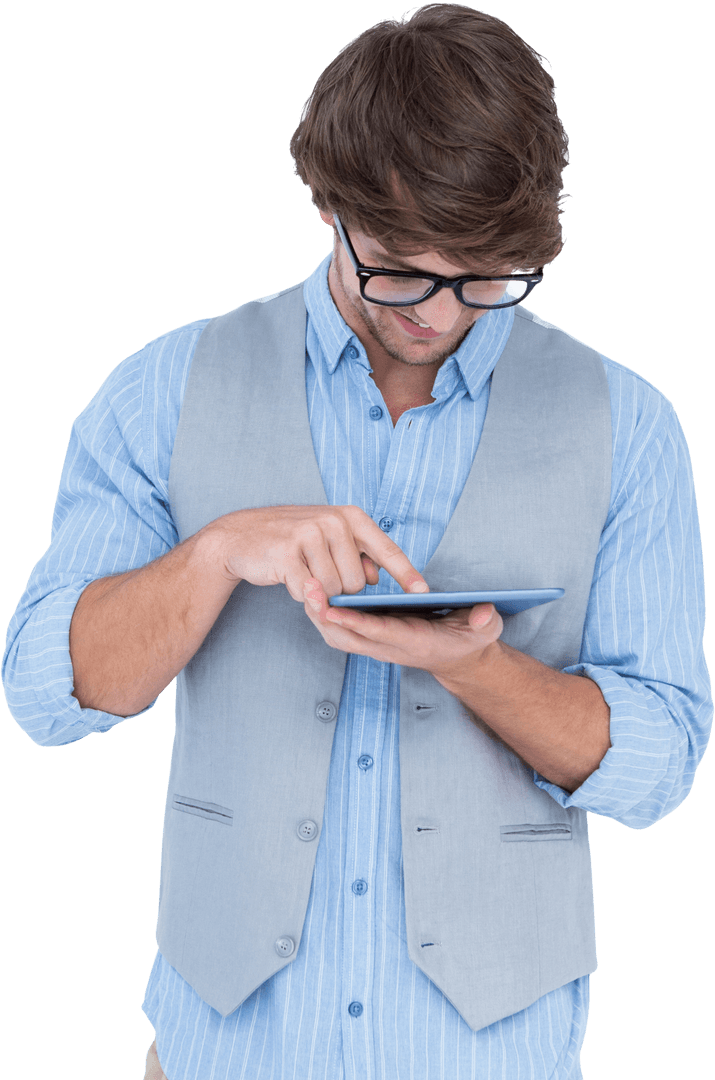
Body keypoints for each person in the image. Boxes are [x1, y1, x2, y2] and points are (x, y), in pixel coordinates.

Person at [2, 5, 711, 1079]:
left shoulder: (630, 424)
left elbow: (659, 764)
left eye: (483, 278)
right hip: (224, 1053)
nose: (440, 311)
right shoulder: (165, 387)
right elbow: (49, 692)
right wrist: (215, 556)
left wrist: (479, 672)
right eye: (401, 271)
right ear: (329, 205)